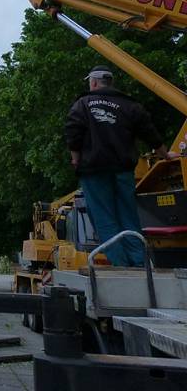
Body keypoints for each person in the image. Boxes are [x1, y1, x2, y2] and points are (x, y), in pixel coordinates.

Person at [65, 65, 179, 267]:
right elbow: (150, 133)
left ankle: (122, 266)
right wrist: (165, 154)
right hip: (123, 171)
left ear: (93, 82)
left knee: (104, 218)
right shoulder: (130, 105)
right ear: (110, 82)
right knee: (129, 216)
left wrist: (75, 158)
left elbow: (73, 133)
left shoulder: (82, 104)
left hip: (94, 171)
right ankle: (140, 263)